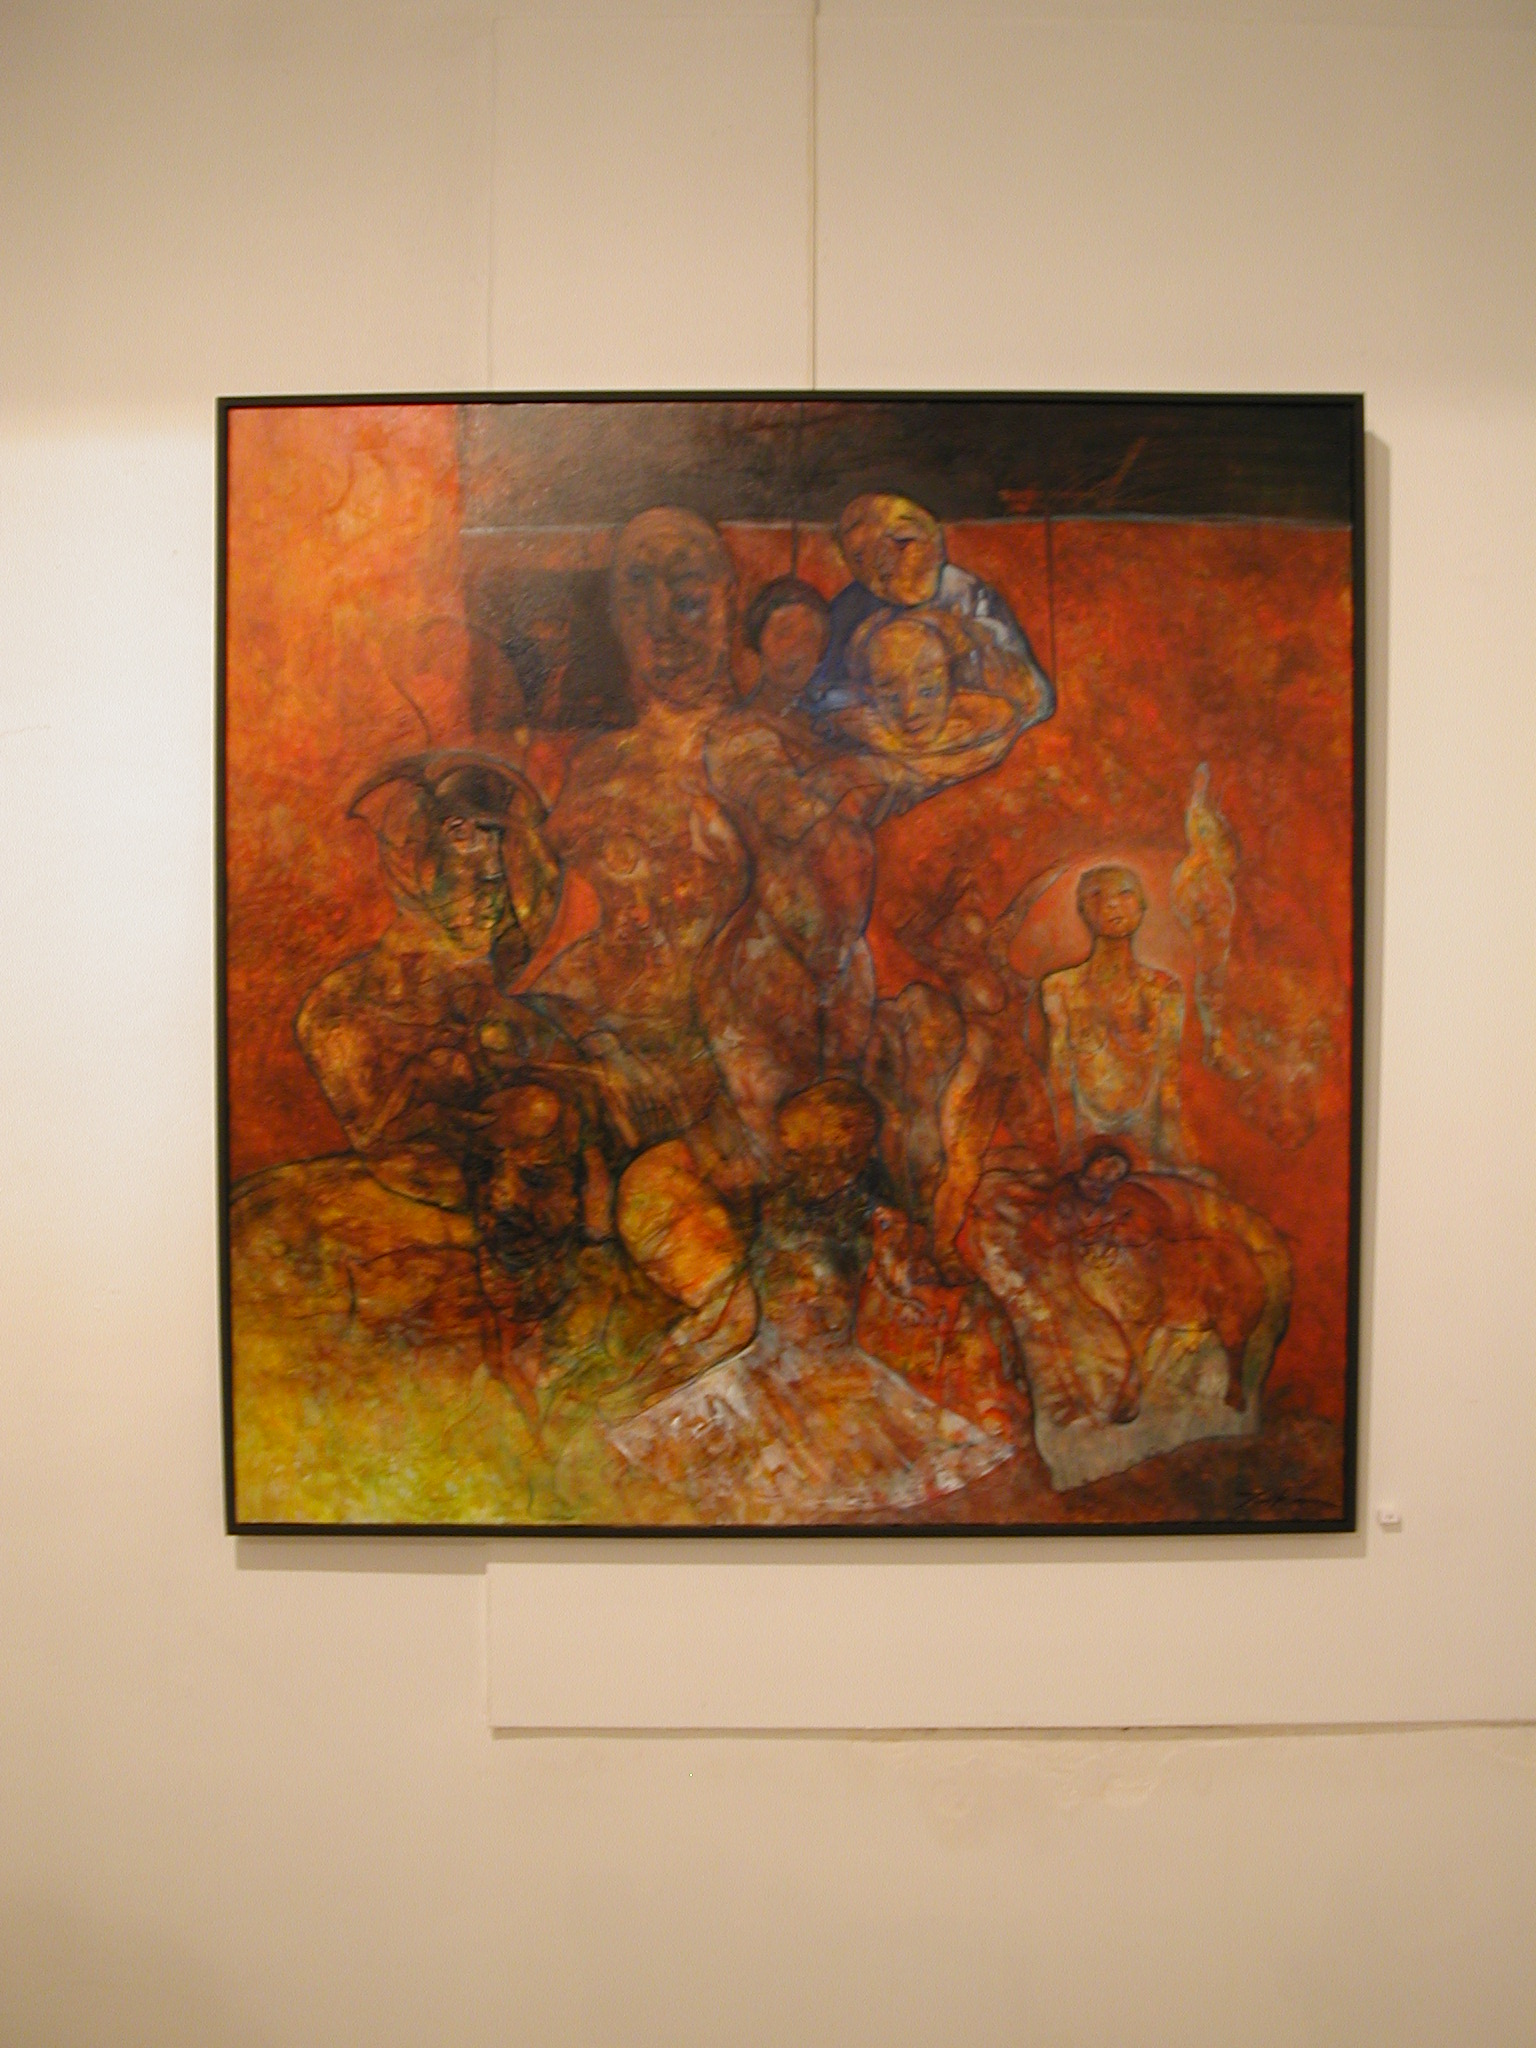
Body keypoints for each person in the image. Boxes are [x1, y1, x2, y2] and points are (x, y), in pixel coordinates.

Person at [293, 753, 602, 1333]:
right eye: (463, 841)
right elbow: (397, 1146)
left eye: (499, 857)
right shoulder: (339, 1012)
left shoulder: (544, 1016)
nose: (489, 886)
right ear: (415, 859)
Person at [803, 492, 1054, 732]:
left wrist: (973, 643)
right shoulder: (849, 611)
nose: (880, 560)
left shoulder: (969, 595)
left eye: (902, 541)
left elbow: (1037, 701)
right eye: (860, 555)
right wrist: (863, 692)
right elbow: (816, 698)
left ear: (936, 543)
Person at [1041, 864, 1193, 1172]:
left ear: (1141, 907)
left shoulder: (1164, 990)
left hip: (1145, 1139)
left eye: (1125, 893)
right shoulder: (1060, 988)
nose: (1111, 903)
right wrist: (1070, 1149)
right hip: (1085, 1140)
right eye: (1097, 895)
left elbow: (1168, 1083)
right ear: (1083, 909)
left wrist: (1174, 1155)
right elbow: (1061, 1079)